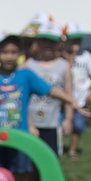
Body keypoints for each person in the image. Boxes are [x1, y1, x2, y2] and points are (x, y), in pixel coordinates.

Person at [0, 35, 87, 181]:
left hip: (19, 136)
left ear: (20, 53)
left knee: (21, 174)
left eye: (13, 52)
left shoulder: (26, 75)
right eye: (5, 52)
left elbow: (49, 90)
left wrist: (71, 100)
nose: (9, 56)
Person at [25, 22, 73, 160]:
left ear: (59, 43)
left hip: (52, 123)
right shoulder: (28, 65)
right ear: (38, 42)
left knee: (50, 160)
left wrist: (68, 120)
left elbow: (68, 96)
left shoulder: (64, 66)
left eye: (52, 41)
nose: (48, 45)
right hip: (30, 123)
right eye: (44, 40)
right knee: (28, 160)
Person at [63, 23, 91, 159]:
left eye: (79, 39)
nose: (76, 42)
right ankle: (57, 148)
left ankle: (72, 150)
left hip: (81, 98)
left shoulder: (86, 56)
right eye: (73, 39)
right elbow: (68, 66)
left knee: (77, 126)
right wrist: (72, 54)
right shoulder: (62, 55)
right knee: (62, 125)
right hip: (65, 98)